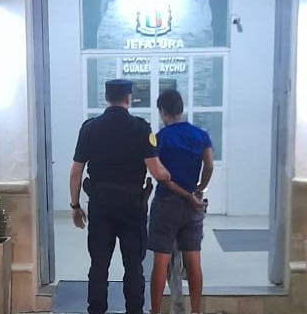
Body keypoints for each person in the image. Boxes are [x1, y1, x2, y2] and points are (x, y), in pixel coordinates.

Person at [68, 79, 172, 314]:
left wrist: (75, 205)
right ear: (128, 98)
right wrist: (170, 175)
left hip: (100, 205)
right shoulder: (141, 128)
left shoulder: (90, 128)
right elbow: (156, 171)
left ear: (107, 98)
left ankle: (96, 310)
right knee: (133, 265)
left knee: (99, 264)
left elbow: (76, 171)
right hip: (132, 206)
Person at [149, 89, 214, 314]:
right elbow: (209, 165)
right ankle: (195, 310)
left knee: (161, 260)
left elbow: (161, 175)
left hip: (166, 203)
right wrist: (199, 189)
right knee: (193, 257)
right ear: (181, 109)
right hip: (192, 205)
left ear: (163, 112)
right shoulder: (201, 135)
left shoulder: (160, 138)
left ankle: (156, 310)